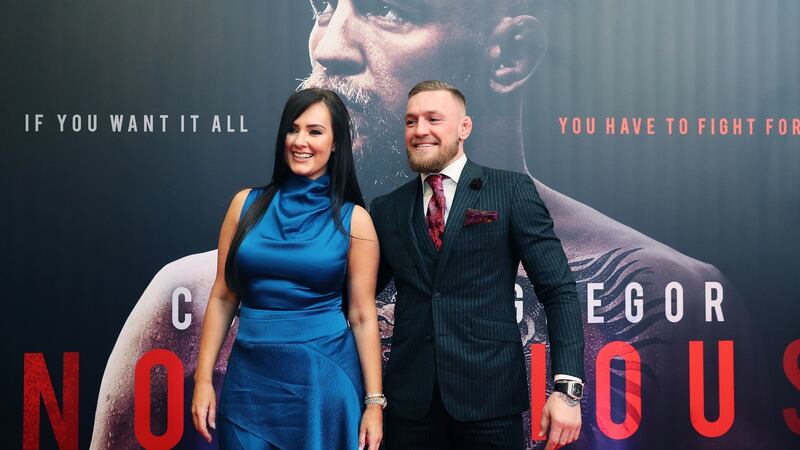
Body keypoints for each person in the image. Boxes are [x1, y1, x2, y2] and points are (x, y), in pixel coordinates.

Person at [93, 2, 773, 449]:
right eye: (324, 4)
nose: (328, 46)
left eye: (389, 9)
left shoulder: (666, 303)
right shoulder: (190, 306)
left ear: (507, 58)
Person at [370, 80, 583, 450]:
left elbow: (558, 289)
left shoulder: (510, 190)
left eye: (434, 119)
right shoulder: (387, 208)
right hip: (409, 405)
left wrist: (567, 389)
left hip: (490, 399)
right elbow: (359, 298)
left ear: (464, 128)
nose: (420, 130)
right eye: (411, 121)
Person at [190, 88, 383, 449]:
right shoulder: (244, 205)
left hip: (323, 380)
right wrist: (203, 379)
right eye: (293, 130)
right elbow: (222, 296)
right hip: (249, 381)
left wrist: (374, 403)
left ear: (337, 142)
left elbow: (362, 315)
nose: (300, 141)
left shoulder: (355, 221)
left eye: (315, 131)